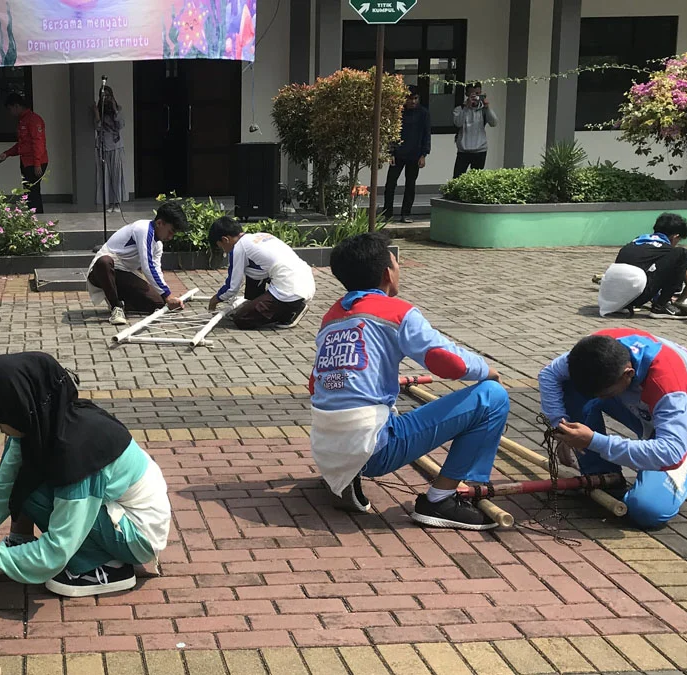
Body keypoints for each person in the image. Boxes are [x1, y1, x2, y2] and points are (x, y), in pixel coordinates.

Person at [0, 352, 170, 598]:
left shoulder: (78, 452)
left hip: (137, 536)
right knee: (25, 481)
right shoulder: (39, 427)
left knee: (35, 487)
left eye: (0, 416)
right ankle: (22, 545)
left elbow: (59, 547)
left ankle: (103, 567)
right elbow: (1, 492)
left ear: (23, 407)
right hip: (113, 511)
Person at [310, 232, 507, 530]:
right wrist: (486, 370)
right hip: (374, 449)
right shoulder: (396, 311)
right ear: (388, 272)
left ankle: (343, 472)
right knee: (493, 397)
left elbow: (316, 384)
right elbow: (446, 360)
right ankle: (441, 500)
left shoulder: (331, 318)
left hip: (326, 447)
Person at [539, 329, 687, 528]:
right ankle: (603, 477)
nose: (599, 397)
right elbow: (549, 374)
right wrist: (560, 425)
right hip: (650, 411)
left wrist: (593, 441)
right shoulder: (596, 350)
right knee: (569, 388)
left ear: (628, 373)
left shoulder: (669, 388)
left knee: (647, 509)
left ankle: (645, 481)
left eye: (604, 393)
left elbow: (672, 453)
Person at [85, 202, 189, 325]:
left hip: (124, 274)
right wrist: (168, 295)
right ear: (159, 223)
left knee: (159, 304)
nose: (171, 237)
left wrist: (166, 297)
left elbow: (156, 269)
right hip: (101, 272)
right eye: (170, 231)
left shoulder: (158, 245)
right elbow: (147, 267)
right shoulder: (143, 229)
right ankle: (115, 307)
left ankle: (123, 302)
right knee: (104, 261)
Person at [207, 216, 316, 329]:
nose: (224, 251)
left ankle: (290, 312)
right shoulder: (260, 236)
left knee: (241, 319)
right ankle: (270, 306)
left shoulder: (239, 248)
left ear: (225, 239)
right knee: (251, 271)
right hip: (305, 282)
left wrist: (214, 300)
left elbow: (232, 287)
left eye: (221, 247)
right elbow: (256, 274)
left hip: (289, 292)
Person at [598, 213, 687, 319]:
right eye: (679, 240)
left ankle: (625, 305)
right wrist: (679, 300)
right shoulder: (668, 250)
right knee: (682, 253)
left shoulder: (637, 241)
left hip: (609, 296)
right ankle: (661, 307)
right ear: (675, 236)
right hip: (634, 295)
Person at [382, 86, 431, 223]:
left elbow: (426, 135)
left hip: (415, 155)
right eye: (410, 98)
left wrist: (424, 155)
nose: (413, 101)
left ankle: (406, 213)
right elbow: (391, 133)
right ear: (405, 98)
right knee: (390, 184)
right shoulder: (398, 112)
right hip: (397, 154)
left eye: (415, 98)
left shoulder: (424, 113)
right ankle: (387, 214)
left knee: (410, 185)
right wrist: (390, 153)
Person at [0, 93, 48, 214]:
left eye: (10, 109)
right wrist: (7, 154)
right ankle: (31, 216)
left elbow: (38, 143)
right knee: (29, 191)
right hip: (26, 162)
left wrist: (37, 163)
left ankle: (36, 217)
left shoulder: (33, 120)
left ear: (16, 106)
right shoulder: (22, 121)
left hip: (35, 162)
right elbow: (22, 144)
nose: (10, 113)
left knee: (33, 191)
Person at [452, 83, 497, 178]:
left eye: (478, 93)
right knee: (457, 178)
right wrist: (466, 108)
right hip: (463, 150)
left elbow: (494, 123)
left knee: (476, 179)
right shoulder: (459, 109)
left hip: (480, 150)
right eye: (473, 94)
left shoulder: (483, 109)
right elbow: (458, 123)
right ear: (467, 94)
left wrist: (487, 107)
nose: (475, 97)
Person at [94, 85, 125, 212]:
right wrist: (97, 114)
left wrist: (114, 109)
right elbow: (97, 127)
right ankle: (108, 203)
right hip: (102, 145)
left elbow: (121, 125)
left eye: (108, 96)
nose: (105, 98)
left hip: (116, 146)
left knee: (116, 175)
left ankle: (116, 203)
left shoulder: (118, 108)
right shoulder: (98, 110)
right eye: (103, 96)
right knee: (105, 176)